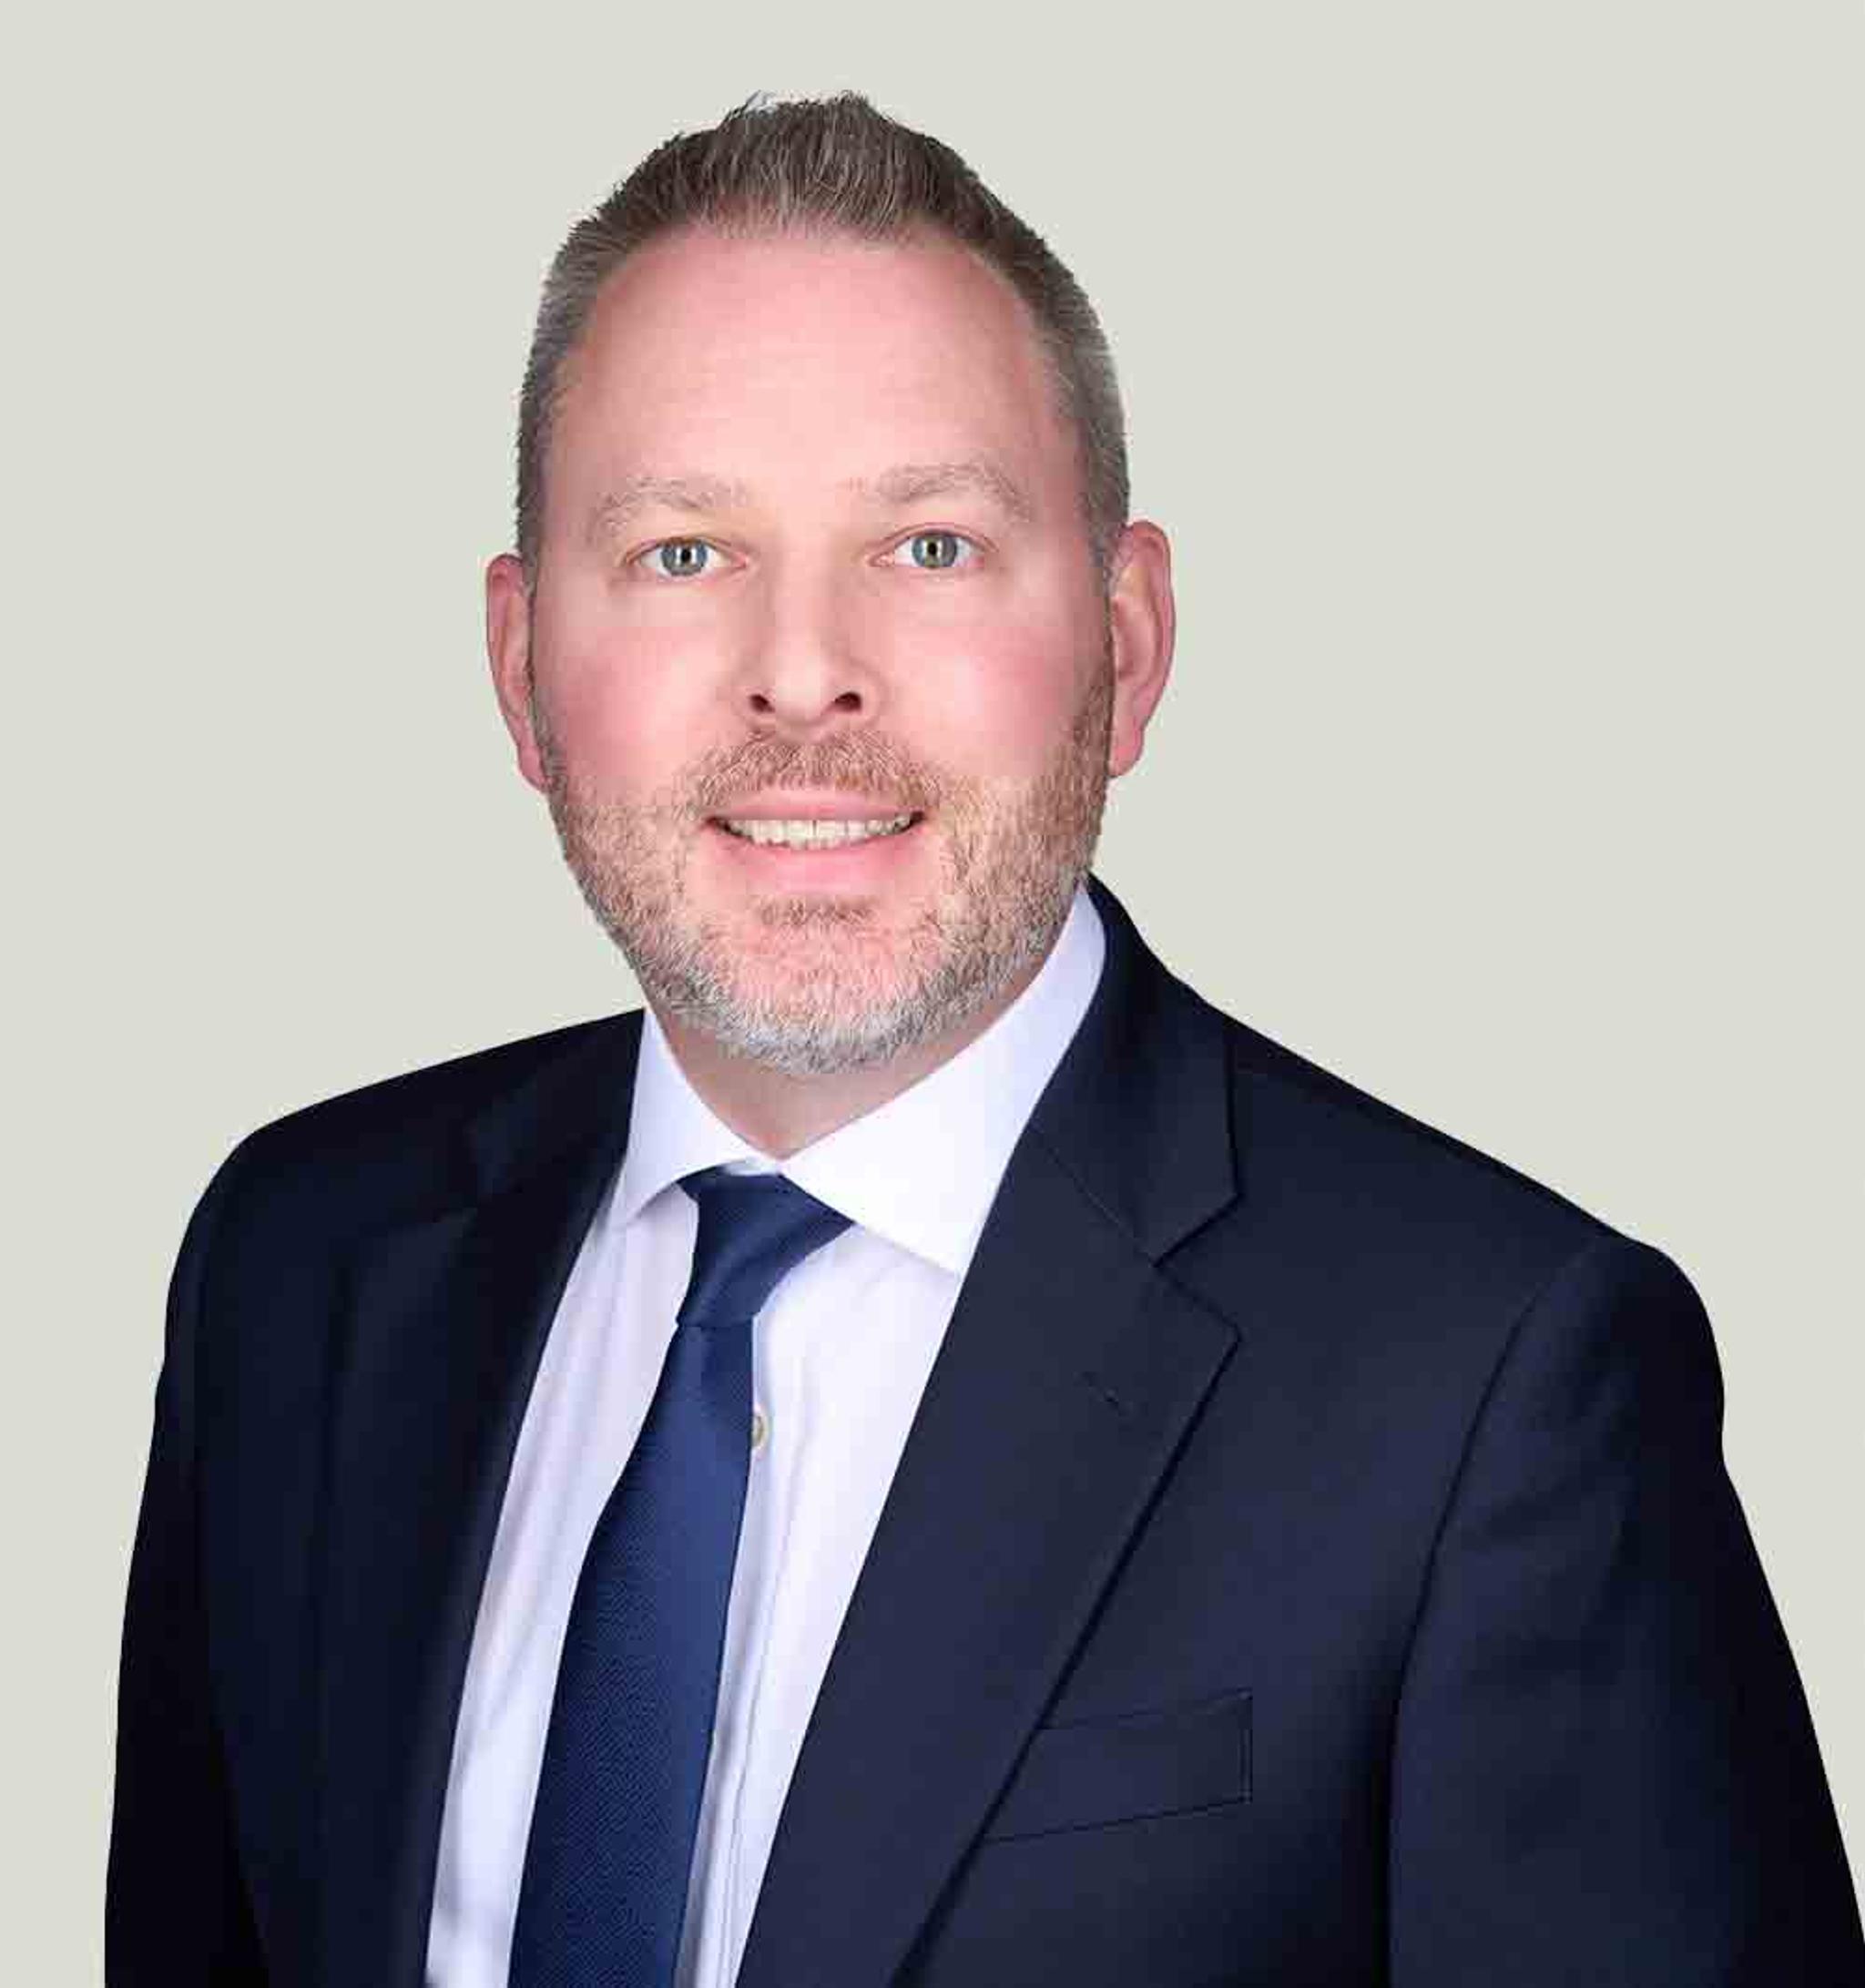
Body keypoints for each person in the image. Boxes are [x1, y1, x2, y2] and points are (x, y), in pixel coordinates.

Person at [107, 92, 1862, 1988]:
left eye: (929, 546)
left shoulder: (1494, 1386)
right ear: (521, 669)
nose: (803, 674)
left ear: (1131, 642)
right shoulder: (296, 1263)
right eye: (684, 553)